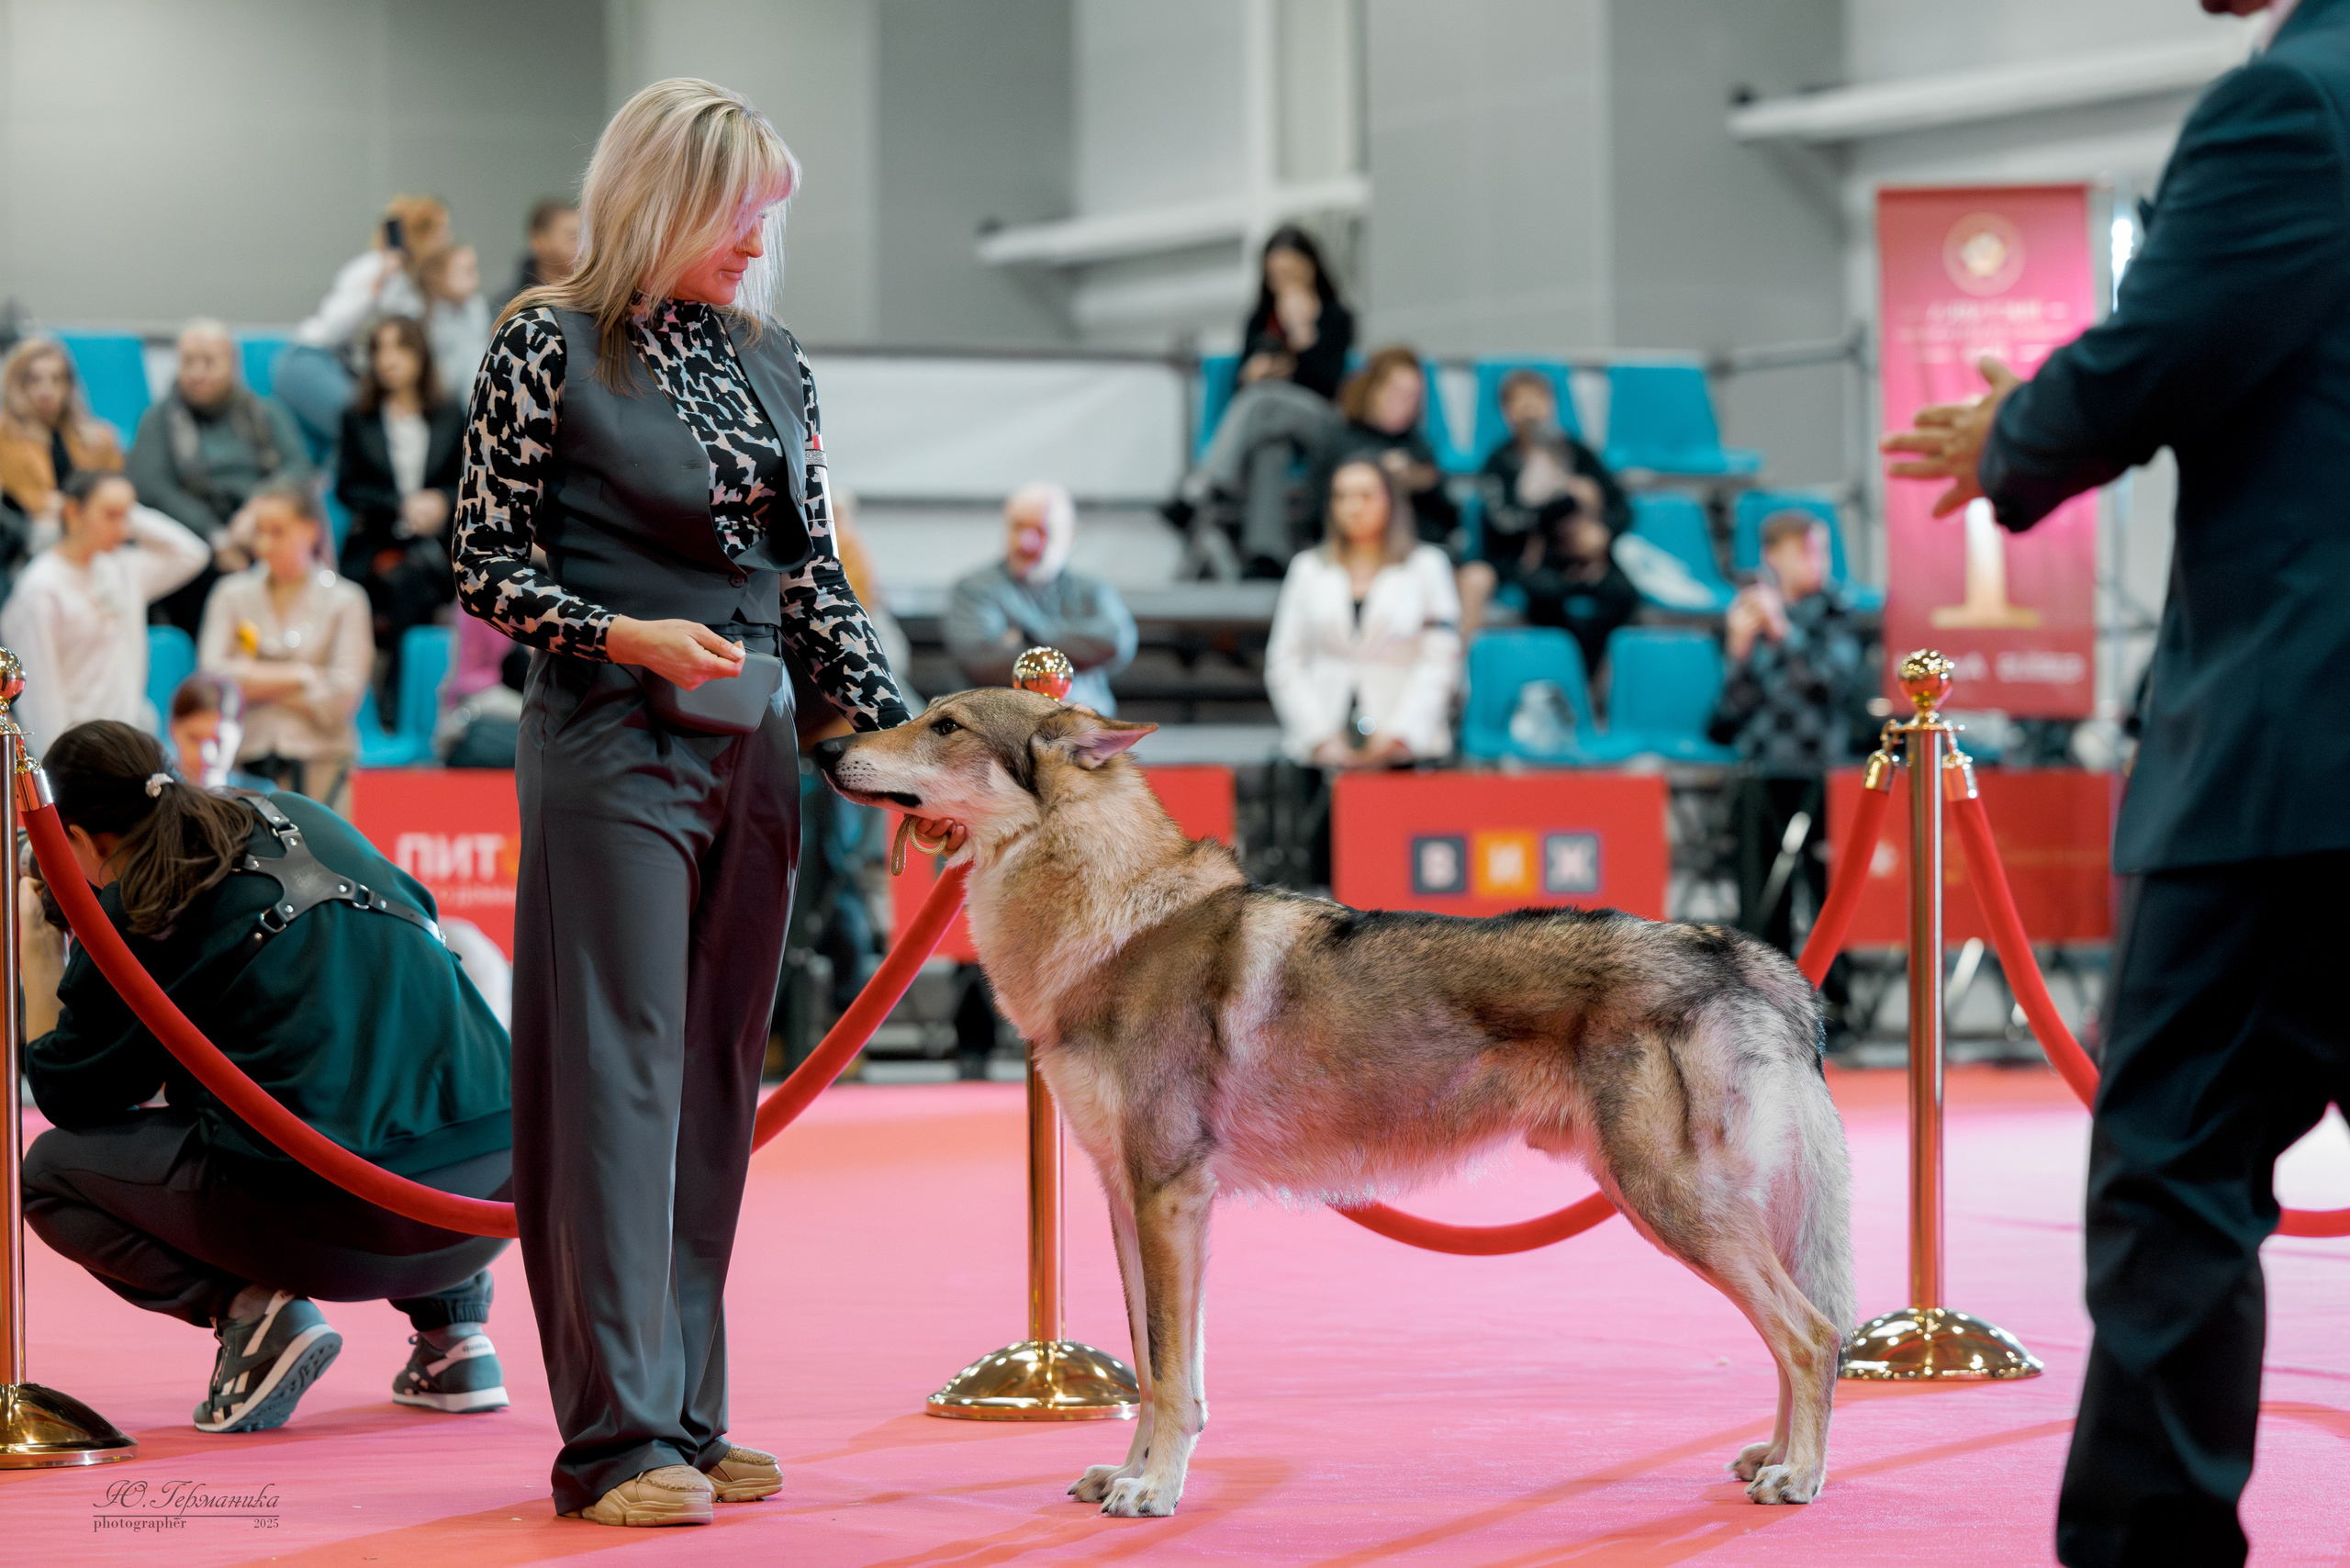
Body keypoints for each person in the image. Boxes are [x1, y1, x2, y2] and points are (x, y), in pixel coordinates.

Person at [1880, 5, 2350, 1560]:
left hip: (2293, 753)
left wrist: (2017, 427)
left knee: (2176, 1171)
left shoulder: (2290, 104)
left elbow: (2167, 354)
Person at [454, 76, 912, 1528]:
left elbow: (816, 584)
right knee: (620, 1078)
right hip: (609, 743)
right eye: (741, 211)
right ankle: (612, 1442)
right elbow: (482, 563)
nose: (761, 239)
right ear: (661, 195)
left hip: (756, 747)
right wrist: (623, 635)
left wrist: (903, 749)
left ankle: (690, 1419)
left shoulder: (776, 361)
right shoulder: (546, 341)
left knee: (716, 1081)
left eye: (772, 213)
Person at [17, 720, 513, 1434]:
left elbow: (70, 1093)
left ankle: (256, 1316)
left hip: (356, 1231)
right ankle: (455, 1341)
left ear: (78, 841)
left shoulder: (140, 904)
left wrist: (45, 951)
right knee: (388, 1071)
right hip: (489, 1195)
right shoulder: (299, 812)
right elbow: (424, 924)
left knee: (51, 1173)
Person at [1706, 511, 1864, 958]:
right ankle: (1766, 1002)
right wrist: (1738, 651)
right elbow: (1726, 717)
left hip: (1819, 775)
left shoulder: (1836, 613)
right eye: (1805, 551)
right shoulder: (1753, 616)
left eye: (1823, 550)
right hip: (1762, 771)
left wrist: (1781, 632)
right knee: (1760, 898)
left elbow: (1826, 684)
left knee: (1827, 897)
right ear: (1772, 557)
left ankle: (1835, 1001)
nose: (1818, 561)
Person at [1172, 228, 1359, 577]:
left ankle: (1199, 489)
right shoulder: (1259, 320)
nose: (1283, 283)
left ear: (1311, 268)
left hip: (1319, 421)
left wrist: (1302, 334)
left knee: (1263, 400)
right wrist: (1254, 373)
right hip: (1270, 421)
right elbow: (1241, 394)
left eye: (1291, 273)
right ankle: (1268, 554)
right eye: (1276, 276)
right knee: (1269, 447)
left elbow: (1325, 384)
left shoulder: (1336, 318)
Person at [1266, 455, 1461, 767]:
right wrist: (1319, 736)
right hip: (1322, 748)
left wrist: (1401, 733)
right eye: (1341, 496)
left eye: (1365, 495)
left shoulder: (1427, 566)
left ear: (1391, 500)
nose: (1353, 507)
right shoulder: (1308, 569)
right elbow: (1284, 661)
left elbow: (1441, 659)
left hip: (1408, 747)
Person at [124, 319, 313, 634]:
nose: (198, 373)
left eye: (209, 362)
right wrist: (216, 536)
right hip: (195, 537)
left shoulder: (266, 413)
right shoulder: (158, 419)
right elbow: (151, 487)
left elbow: (298, 468)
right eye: (189, 362)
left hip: (259, 525)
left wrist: (257, 511)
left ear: (233, 365)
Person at [0, 470, 208, 748]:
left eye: (128, 516)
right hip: (80, 750)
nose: (124, 530)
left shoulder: (122, 568)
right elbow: (41, 704)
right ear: (74, 513)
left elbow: (192, 554)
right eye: (112, 515)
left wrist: (130, 511)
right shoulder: (39, 591)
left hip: (130, 742)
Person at [196, 481, 372, 809]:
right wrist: (302, 675)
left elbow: (340, 699)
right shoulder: (230, 593)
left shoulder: (346, 600)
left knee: (324, 858)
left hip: (324, 761)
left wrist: (254, 684)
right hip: (242, 764)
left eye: (277, 532)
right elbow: (214, 682)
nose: (264, 543)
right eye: (259, 531)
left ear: (310, 531)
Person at [335, 315, 462, 685]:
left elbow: (470, 483)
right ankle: (401, 694)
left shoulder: (449, 413)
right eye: (380, 350)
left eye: (399, 347)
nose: (389, 359)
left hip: (440, 546)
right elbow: (347, 488)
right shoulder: (358, 416)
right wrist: (400, 505)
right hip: (378, 542)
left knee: (418, 581)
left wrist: (441, 502)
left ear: (420, 354)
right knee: (406, 582)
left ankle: (402, 692)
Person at [274, 196, 452, 455]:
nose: (447, 239)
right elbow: (333, 327)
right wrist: (378, 285)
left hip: (348, 373)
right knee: (366, 432)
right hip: (311, 360)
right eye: (441, 231)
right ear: (418, 234)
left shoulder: (413, 285)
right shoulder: (372, 268)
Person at [1460, 368, 1631, 636]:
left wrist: (1603, 531)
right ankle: (1565, 663)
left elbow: (1621, 507)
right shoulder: (1499, 462)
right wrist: (1564, 501)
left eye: (1538, 401)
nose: (1531, 411)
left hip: (1581, 557)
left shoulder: (1575, 452)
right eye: (1521, 402)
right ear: (1507, 411)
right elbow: (1505, 522)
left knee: (1623, 595)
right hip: (1529, 561)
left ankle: (1589, 668)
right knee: (1544, 594)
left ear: (1551, 405)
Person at [944, 482, 1136, 715]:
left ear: (1071, 534)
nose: (1026, 542)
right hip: (1000, 733)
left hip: (1086, 731)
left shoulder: (1094, 590)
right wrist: (1081, 651)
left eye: (1041, 530)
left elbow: (1117, 645)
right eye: (1018, 527)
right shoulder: (974, 589)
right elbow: (982, 662)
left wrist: (1029, 634)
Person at [1305, 346, 1460, 558]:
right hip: (1351, 551)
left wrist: (1423, 482)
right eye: (1398, 393)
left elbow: (1449, 516)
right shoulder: (1338, 439)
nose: (1407, 404)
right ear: (1374, 388)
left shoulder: (1416, 444)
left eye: (1413, 396)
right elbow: (1317, 510)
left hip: (1416, 551)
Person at [0, 337, 125, 547]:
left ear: (69, 384)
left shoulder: (98, 436)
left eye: (56, 379)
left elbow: (117, 485)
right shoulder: (5, 434)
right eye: (34, 379)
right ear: (18, 384)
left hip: (87, 516)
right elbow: (19, 500)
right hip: (28, 526)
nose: (46, 390)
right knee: (50, 529)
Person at [1515, 500, 1642, 685]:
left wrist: (1598, 563)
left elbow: (1627, 595)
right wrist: (1575, 579)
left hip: (1598, 653)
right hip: (1546, 659)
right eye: (1572, 522)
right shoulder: (1550, 559)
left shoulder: (1610, 570)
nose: (1578, 528)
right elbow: (1534, 585)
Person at [166, 673, 273, 792]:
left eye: (220, 741)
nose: (206, 756)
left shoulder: (264, 800)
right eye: (194, 739)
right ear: (173, 728)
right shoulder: (153, 793)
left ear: (239, 735)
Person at [420, 243, 493, 393]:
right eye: (464, 271)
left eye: (473, 269)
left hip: (478, 393)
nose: (474, 278)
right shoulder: (426, 313)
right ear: (438, 275)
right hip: (442, 398)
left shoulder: (477, 306)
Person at [505, 198, 583, 307]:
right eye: (572, 237)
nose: (581, 246)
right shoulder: (510, 304)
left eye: (583, 236)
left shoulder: (593, 299)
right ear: (538, 240)